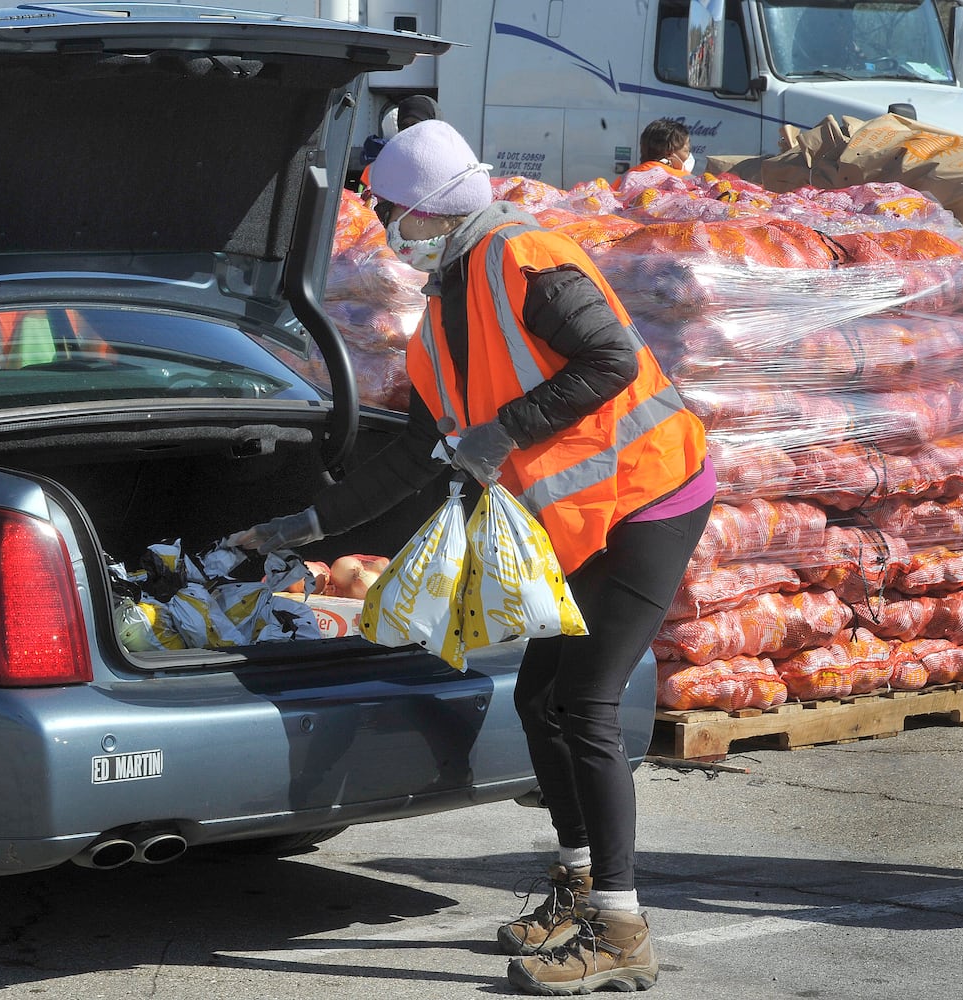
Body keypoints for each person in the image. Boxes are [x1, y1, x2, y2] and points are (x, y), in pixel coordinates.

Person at [227, 119, 715, 995]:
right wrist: (300, 527)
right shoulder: (443, 313)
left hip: (650, 498)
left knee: (586, 703)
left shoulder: (526, 259)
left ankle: (620, 925)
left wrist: (501, 431)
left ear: (431, 207)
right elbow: (412, 455)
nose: (384, 228)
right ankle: (574, 885)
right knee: (538, 698)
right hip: (576, 518)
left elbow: (608, 359)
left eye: (390, 210)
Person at [357, 94, 439, 195]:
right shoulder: (380, 166)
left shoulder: (449, 162)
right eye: (404, 126)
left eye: (416, 125)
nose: (410, 130)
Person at [614, 118, 693, 188]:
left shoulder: (624, 178)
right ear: (669, 153)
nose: (688, 155)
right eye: (686, 150)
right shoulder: (685, 181)